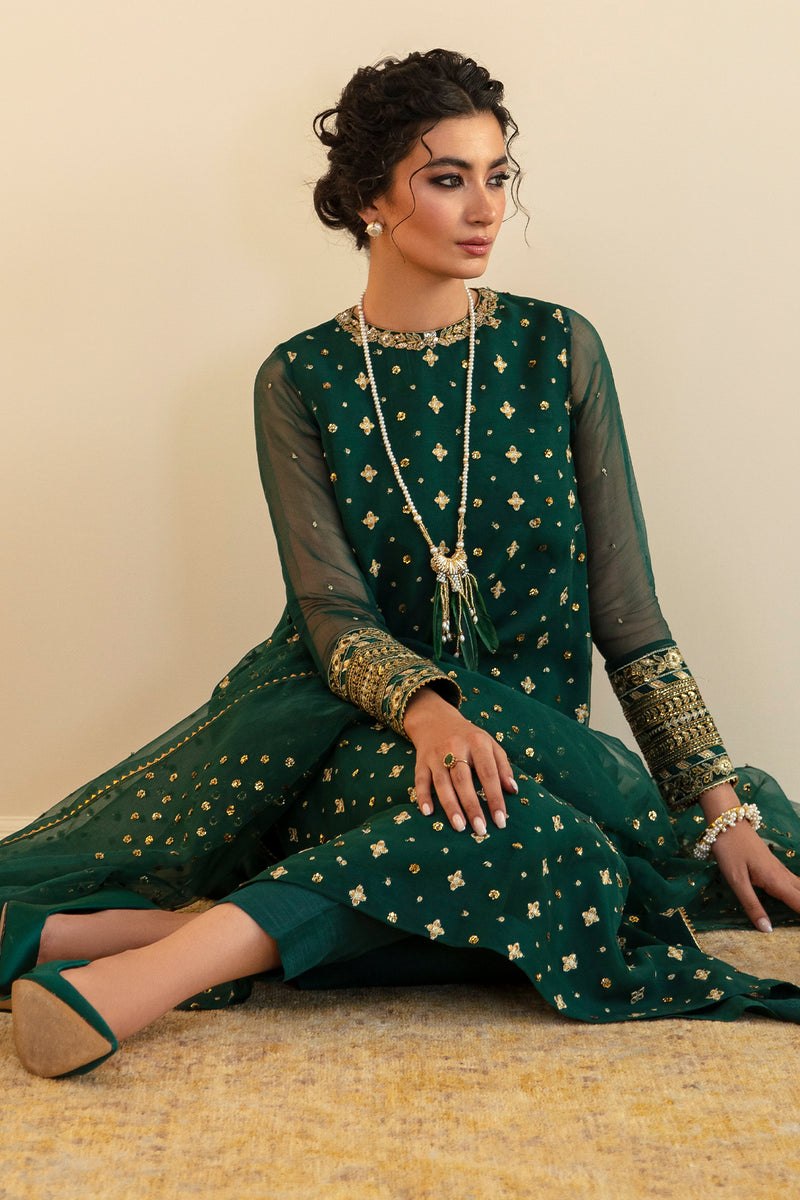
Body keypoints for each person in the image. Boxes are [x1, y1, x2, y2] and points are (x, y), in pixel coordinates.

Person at [3, 49, 800, 1080]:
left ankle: (118, 941)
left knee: (560, 851)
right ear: (370, 198)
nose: (485, 207)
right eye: (447, 178)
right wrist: (428, 711)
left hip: (538, 742)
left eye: (497, 175)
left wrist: (720, 807)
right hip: (360, 731)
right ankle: (140, 986)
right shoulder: (300, 379)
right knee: (543, 856)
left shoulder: (556, 350)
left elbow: (627, 612)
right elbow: (330, 610)